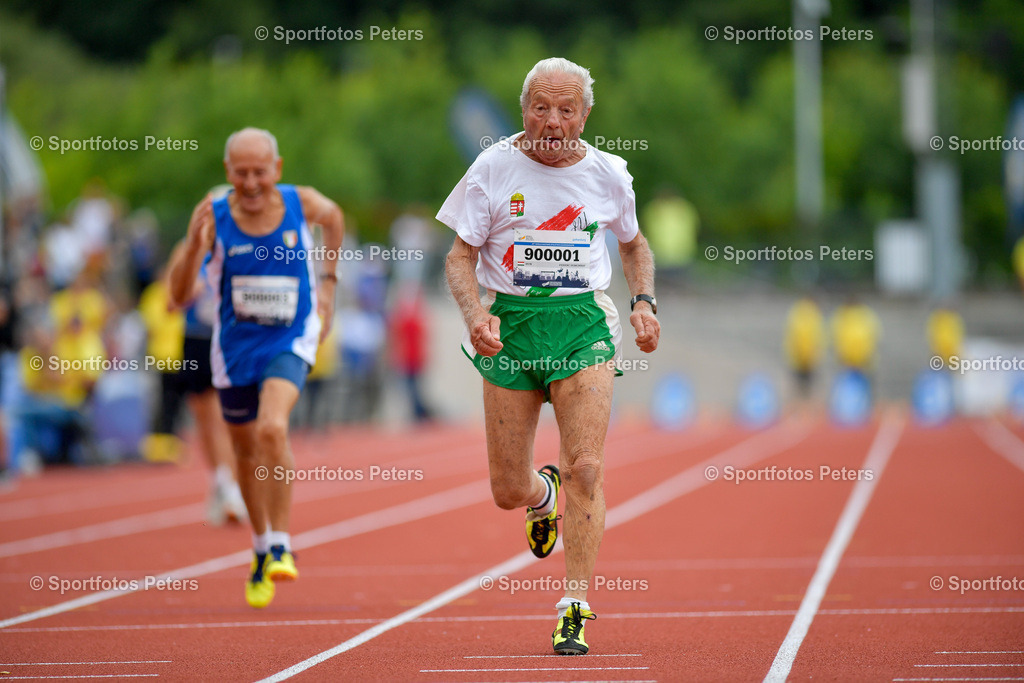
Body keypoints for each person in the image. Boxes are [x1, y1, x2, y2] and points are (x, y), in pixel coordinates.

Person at [439, 57, 660, 655]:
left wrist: (643, 301)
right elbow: (459, 256)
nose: (553, 122)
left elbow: (634, 244)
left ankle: (574, 607)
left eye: (566, 110)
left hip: (582, 324)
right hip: (510, 326)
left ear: (585, 115)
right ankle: (541, 497)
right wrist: (475, 316)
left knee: (585, 466)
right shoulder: (492, 168)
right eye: (541, 108)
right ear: (524, 111)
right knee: (506, 489)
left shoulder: (609, 174)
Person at [167, 128, 344, 608]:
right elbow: (178, 295)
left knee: (271, 427)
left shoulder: (300, 203)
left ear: (277, 169)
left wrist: (328, 284)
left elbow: (334, 218)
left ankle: (281, 543)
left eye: (259, 173)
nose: (250, 183)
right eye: (241, 173)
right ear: (228, 172)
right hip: (234, 349)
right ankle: (262, 546)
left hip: (290, 337)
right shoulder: (213, 216)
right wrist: (193, 245)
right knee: (245, 452)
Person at [784, 297, 826, 402]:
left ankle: (802, 405)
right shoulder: (812, 314)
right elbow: (817, 336)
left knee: (801, 388)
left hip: (800, 358)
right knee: (806, 388)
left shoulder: (797, 312)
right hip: (806, 358)